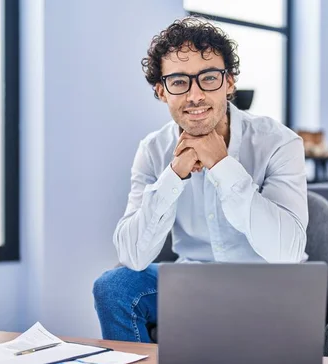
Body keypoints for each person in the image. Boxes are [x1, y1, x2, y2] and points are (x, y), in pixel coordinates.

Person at [93, 17, 309, 342]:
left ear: (229, 83)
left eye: (208, 78)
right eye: (179, 81)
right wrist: (174, 174)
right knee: (112, 287)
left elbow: (288, 251)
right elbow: (132, 255)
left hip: (267, 283)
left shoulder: (279, 142)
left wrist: (222, 165)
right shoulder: (153, 150)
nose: (195, 95)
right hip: (191, 282)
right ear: (161, 91)